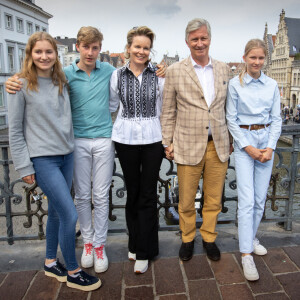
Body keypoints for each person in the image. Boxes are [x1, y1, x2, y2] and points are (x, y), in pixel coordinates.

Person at [7, 32, 101, 291]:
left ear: (55, 55)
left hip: (67, 154)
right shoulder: (20, 85)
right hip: (43, 159)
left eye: (49, 52)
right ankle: (73, 270)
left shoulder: (62, 79)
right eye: (38, 52)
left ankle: (50, 261)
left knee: (58, 214)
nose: (44, 56)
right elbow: (14, 131)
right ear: (30, 54)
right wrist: (24, 166)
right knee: (70, 214)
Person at [160, 18, 232, 262]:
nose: (199, 43)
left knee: (213, 199)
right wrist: (167, 142)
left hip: (218, 143)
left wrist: (231, 137)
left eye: (203, 38)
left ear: (209, 39)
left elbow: (227, 108)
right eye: (195, 39)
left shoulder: (223, 69)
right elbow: (168, 110)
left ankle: (209, 237)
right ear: (187, 42)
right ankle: (188, 237)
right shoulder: (176, 70)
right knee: (187, 199)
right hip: (187, 144)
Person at [110, 26, 165, 274]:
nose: (141, 51)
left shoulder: (159, 75)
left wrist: (168, 141)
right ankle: (134, 243)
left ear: (149, 50)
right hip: (125, 139)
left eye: (145, 47)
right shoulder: (117, 76)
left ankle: (146, 250)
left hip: (153, 139)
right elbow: (113, 107)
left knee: (148, 194)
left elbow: (164, 109)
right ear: (129, 48)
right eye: (137, 47)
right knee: (132, 193)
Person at [226, 39, 281, 281]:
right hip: (244, 142)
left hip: (265, 142)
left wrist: (269, 147)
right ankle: (246, 254)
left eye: (260, 58)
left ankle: (252, 237)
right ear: (245, 58)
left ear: (264, 59)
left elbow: (277, 119)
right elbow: (231, 119)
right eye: (252, 58)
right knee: (247, 199)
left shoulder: (272, 84)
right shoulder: (235, 85)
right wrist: (248, 147)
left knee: (260, 199)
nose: (256, 62)